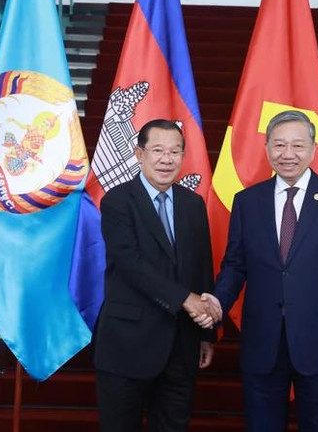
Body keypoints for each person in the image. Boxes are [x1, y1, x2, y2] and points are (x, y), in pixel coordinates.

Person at [203, 110, 318, 432]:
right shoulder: (247, 202)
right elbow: (235, 265)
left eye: (297, 146)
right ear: (266, 149)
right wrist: (217, 303)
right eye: (278, 145)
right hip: (263, 341)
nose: (287, 154)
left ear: (314, 149)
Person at [94, 119, 221, 432]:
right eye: (158, 150)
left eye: (175, 151)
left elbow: (202, 267)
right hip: (128, 344)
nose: (167, 159)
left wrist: (205, 333)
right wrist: (185, 300)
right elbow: (129, 263)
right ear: (139, 154)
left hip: (181, 344)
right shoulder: (118, 201)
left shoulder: (193, 204)